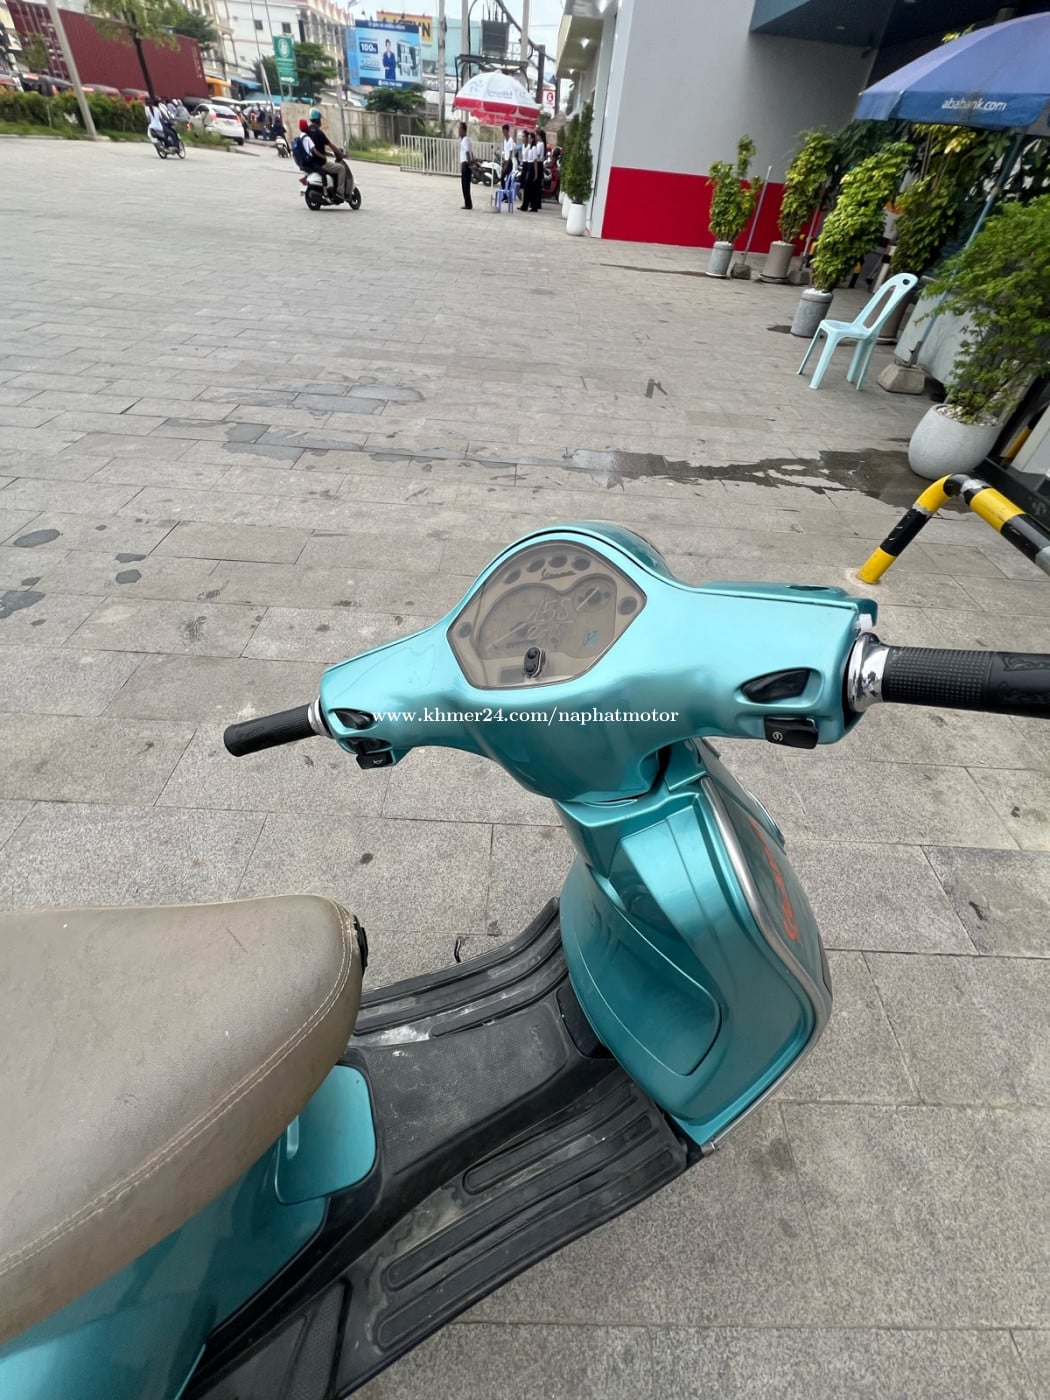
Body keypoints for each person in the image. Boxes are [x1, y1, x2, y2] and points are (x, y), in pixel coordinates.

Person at [306, 107, 350, 202]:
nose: (321, 121)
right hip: (321, 163)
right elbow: (330, 145)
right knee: (341, 168)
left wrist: (325, 153)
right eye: (320, 119)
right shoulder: (319, 133)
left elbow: (313, 148)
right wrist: (340, 154)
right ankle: (340, 193)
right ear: (318, 119)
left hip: (311, 162)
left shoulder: (307, 131)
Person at [530, 128, 547, 210]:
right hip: (540, 164)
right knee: (538, 185)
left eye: (536, 135)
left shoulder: (540, 144)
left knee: (536, 185)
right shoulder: (542, 144)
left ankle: (535, 203)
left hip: (538, 164)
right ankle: (537, 203)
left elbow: (537, 155)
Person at [459, 121, 473, 210]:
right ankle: (468, 203)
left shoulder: (464, 140)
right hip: (465, 164)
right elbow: (470, 152)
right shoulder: (465, 140)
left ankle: (468, 204)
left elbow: (468, 152)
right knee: (466, 185)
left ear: (464, 130)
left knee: (465, 185)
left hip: (466, 164)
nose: (459, 131)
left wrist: (469, 163)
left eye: (460, 129)